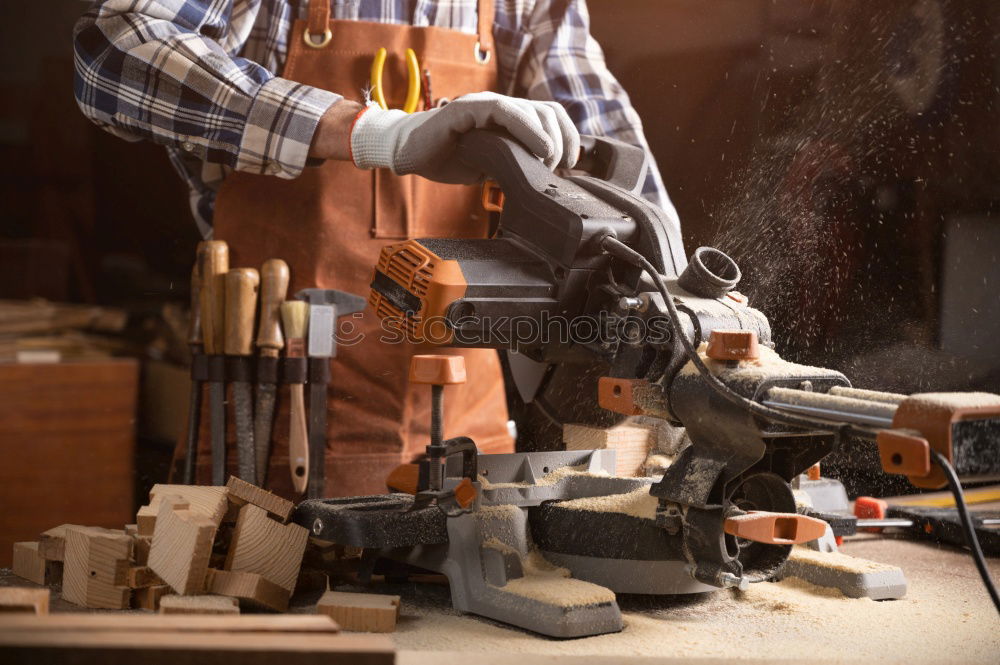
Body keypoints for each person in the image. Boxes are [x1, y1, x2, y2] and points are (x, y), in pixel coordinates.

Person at [73, 0, 679, 498]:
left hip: (471, 444)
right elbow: (115, 48)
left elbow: (610, 165)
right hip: (272, 430)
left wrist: (675, 316)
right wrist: (369, 133)